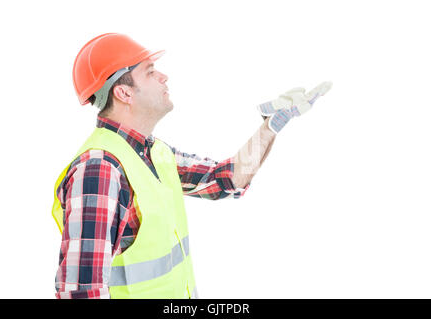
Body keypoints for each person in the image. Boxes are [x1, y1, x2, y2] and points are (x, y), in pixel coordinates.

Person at [52, 33, 331, 299]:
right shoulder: (99, 169)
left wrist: (271, 126)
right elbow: (80, 290)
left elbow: (225, 179)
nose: (164, 76)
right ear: (124, 92)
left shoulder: (154, 152)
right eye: (150, 71)